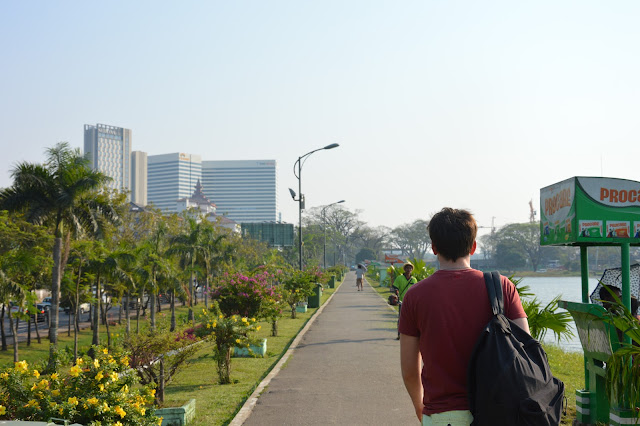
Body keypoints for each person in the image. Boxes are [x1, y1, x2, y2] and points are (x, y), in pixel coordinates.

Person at [399, 208, 529, 425]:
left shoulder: (415, 296)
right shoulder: (502, 287)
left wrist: (419, 405)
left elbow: (410, 370)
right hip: (499, 411)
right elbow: (524, 349)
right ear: (474, 246)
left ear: (433, 248)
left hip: (442, 414)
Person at [392, 262, 418, 339]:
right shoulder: (399, 278)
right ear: (404, 269)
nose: (408, 269)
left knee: (412, 319)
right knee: (400, 318)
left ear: (412, 270)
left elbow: (415, 290)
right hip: (401, 301)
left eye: (410, 268)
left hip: (411, 302)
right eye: (407, 268)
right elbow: (395, 287)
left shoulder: (414, 279)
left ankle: (410, 334)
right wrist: (397, 293)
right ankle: (399, 334)